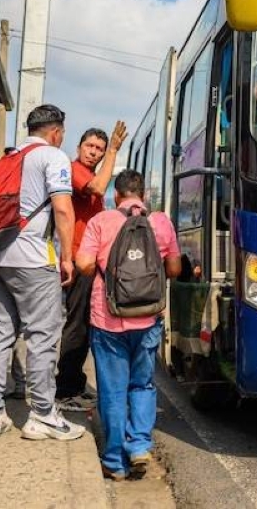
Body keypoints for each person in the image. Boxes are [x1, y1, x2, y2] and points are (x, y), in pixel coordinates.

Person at [0, 104, 82, 441]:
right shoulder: (53, 156)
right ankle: (43, 415)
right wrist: (67, 256)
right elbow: (63, 209)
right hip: (34, 258)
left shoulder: (9, 156)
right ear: (56, 131)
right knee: (42, 335)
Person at [76, 169, 181, 479]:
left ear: (116, 196)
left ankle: (114, 461)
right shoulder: (161, 222)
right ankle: (139, 446)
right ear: (143, 195)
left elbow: (83, 264)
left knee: (112, 390)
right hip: (148, 319)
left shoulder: (101, 221)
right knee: (143, 384)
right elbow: (173, 268)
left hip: (108, 319)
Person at [56, 122, 128, 412]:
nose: (94, 153)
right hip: (77, 260)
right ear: (79, 147)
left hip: (88, 263)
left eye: (99, 149)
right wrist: (113, 150)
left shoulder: (90, 175)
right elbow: (99, 186)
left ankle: (74, 382)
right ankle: (65, 389)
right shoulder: (74, 170)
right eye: (90, 147)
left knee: (86, 325)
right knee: (76, 326)